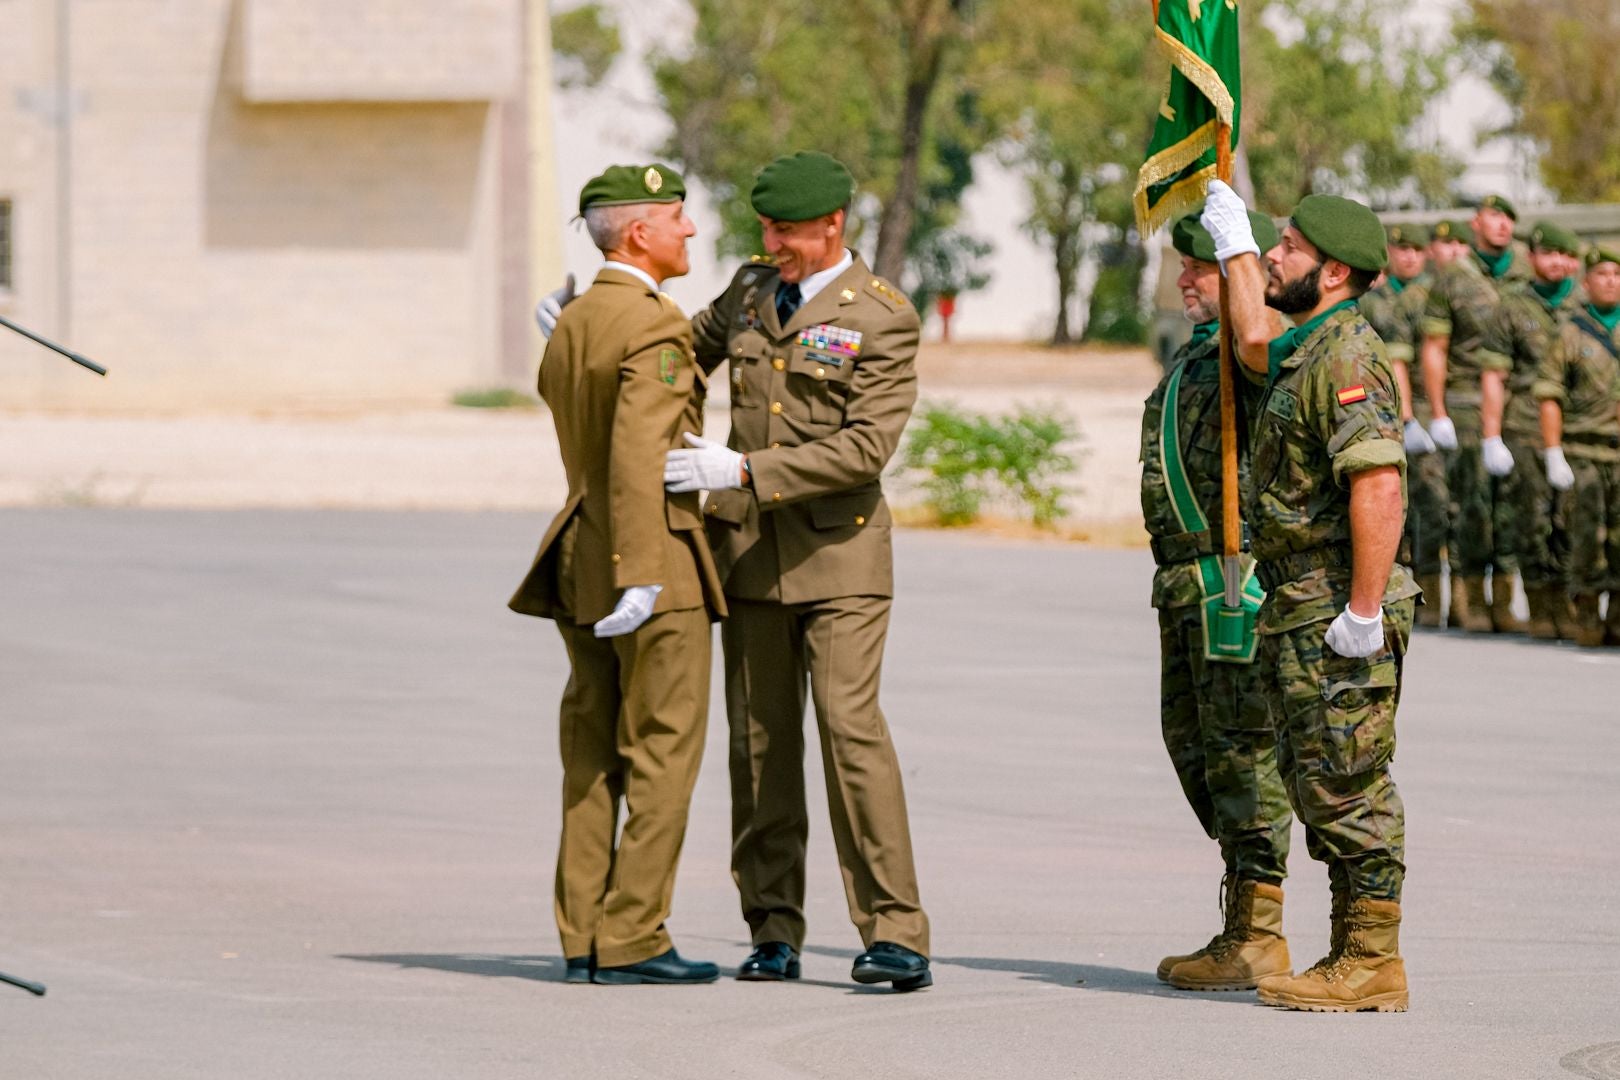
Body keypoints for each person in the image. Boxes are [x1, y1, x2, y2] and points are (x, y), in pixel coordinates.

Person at [538, 151, 932, 992]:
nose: (773, 244)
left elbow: (866, 447)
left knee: (848, 730)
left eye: (787, 231)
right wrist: (585, 329)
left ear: (833, 225)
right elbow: (674, 350)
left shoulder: (882, 315)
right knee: (759, 749)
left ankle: (893, 930)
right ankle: (773, 927)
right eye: (766, 230)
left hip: (841, 558)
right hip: (748, 556)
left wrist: (747, 473)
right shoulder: (753, 291)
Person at [1202, 181, 1418, 1012]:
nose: (1275, 256)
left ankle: (1371, 959)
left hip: (1337, 600)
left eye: (1285, 247)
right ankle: (1349, 953)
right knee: (1314, 774)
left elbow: (1378, 489)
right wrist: (1234, 250)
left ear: (1330, 272)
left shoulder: (1346, 357)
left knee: (1348, 778)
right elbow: (1253, 338)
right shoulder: (1307, 346)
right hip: (1301, 600)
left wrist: (1364, 613)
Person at [508, 164, 727, 985]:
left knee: (591, 753)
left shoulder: (574, 317)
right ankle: (634, 934)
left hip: (578, 555)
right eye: (678, 218)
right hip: (651, 563)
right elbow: (639, 452)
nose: (691, 232)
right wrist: (643, 570)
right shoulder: (652, 325)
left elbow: (578, 418)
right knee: (662, 751)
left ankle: (581, 933)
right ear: (640, 233)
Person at [1141, 211, 1294, 992]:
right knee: (1196, 746)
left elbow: (1260, 340)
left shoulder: (1255, 345)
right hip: (1187, 584)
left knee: (1242, 755)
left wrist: (1241, 264)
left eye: (1201, 267)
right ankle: (1244, 908)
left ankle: (1258, 931)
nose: (1185, 280)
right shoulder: (1197, 352)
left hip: (1233, 582)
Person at [1421, 196, 1523, 633]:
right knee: (1473, 505)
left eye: (1508, 219)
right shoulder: (1453, 280)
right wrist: (1438, 410)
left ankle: (1504, 601)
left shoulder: (1522, 276)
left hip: (1518, 406)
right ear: (1476, 223)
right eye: (1494, 217)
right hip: (1466, 403)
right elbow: (1435, 348)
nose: (1502, 226)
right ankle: (1471, 601)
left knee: (1512, 508)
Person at [1488, 222, 1585, 639]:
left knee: (1572, 519)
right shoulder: (1511, 306)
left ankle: (1569, 603)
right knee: (1531, 517)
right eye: (1550, 254)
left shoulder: (1583, 307)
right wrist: (1492, 436)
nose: (1558, 263)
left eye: (1566, 255)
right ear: (1533, 257)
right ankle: (1541, 605)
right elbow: (1494, 374)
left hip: (1578, 426)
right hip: (1524, 424)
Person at [1360, 224, 1446, 627]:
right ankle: (1389, 594)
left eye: (1416, 248)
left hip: (1429, 410)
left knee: (1432, 502)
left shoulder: (1434, 294)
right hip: (1382, 408)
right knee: (1391, 502)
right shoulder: (1373, 300)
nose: (1409, 256)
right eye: (1401, 248)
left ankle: (1432, 596)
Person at [1534, 247, 1620, 647]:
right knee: (1586, 538)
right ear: (1586, 282)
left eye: (1617, 274)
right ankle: (1586, 613)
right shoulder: (1570, 331)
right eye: (1602, 274)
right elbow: (1550, 394)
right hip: (1585, 450)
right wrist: (1554, 452)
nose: (1610, 281)